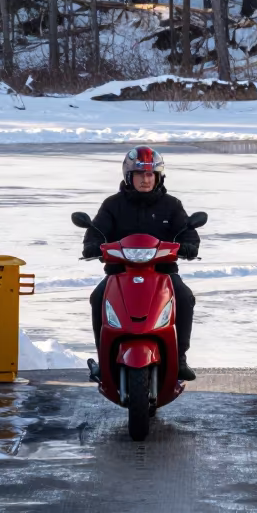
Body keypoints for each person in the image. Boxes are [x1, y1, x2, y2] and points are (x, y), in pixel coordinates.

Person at [83, 146, 199, 382]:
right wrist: (92, 245)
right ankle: (104, 359)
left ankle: (180, 359)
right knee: (98, 299)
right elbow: (95, 232)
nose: (145, 180)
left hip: (162, 273)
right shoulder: (112, 205)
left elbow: (188, 233)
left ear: (158, 177)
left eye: (150, 175)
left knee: (185, 298)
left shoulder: (172, 205)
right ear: (129, 176)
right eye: (140, 175)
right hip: (119, 272)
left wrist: (189, 246)